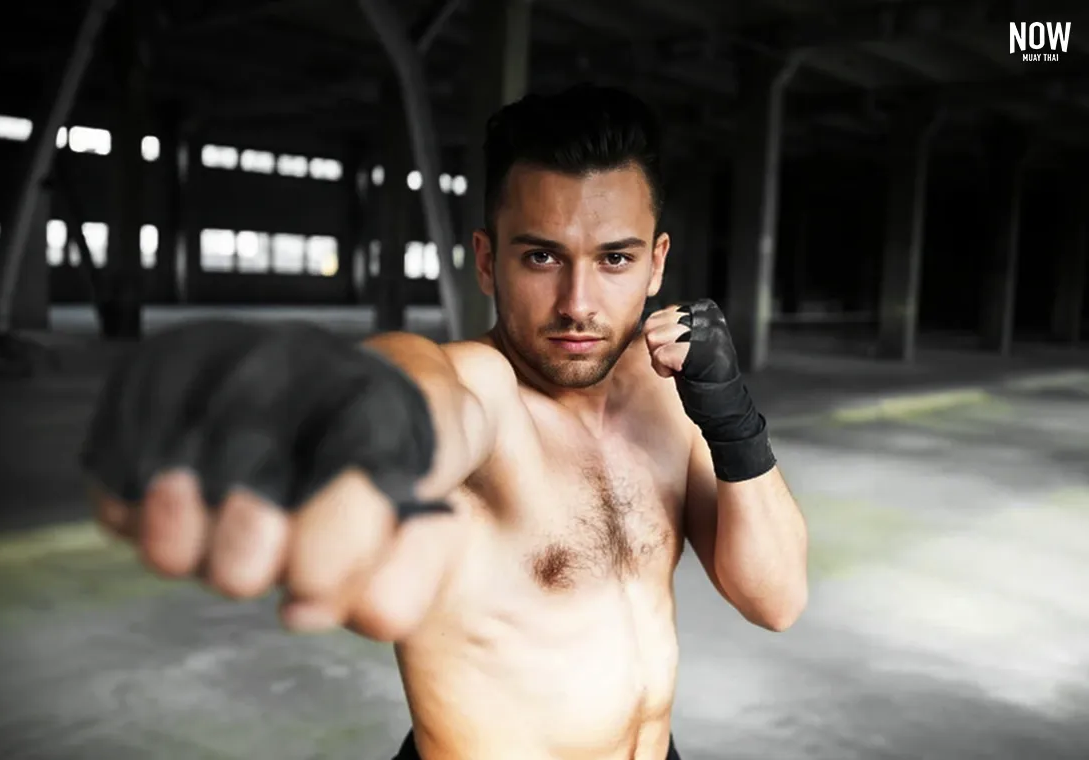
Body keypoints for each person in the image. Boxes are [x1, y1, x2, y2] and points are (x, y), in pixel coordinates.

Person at [84, 84, 809, 760]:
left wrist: (732, 416)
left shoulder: (666, 397)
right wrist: (355, 407)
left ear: (655, 266)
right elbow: (430, 390)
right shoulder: (485, 389)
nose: (577, 302)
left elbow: (775, 600)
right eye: (541, 257)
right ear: (488, 263)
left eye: (613, 258)